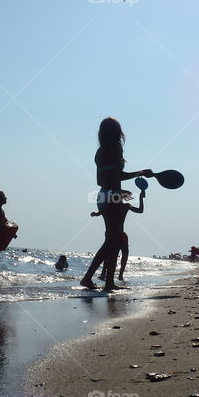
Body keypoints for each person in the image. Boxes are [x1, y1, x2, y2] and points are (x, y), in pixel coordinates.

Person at [80, 117, 152, 291]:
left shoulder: (99, 152)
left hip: (103, 196)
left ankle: (109, 283)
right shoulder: (115, 148)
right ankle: (88, 278)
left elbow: (100, 180)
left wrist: (119, 191)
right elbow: (117, 176)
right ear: (117, 132)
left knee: (114, 239)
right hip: (112, 197)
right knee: (113, 241)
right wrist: (140, 172)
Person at [93, 188, 146, 282]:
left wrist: (141, 198)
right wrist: (96, 213)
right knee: (110, 253)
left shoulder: (123, 206)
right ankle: (107, 274)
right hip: (114, 233)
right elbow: (100, 212)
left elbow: (140, 210)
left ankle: (114, 274)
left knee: (114, 252)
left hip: (118, 234)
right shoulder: (117, 205)